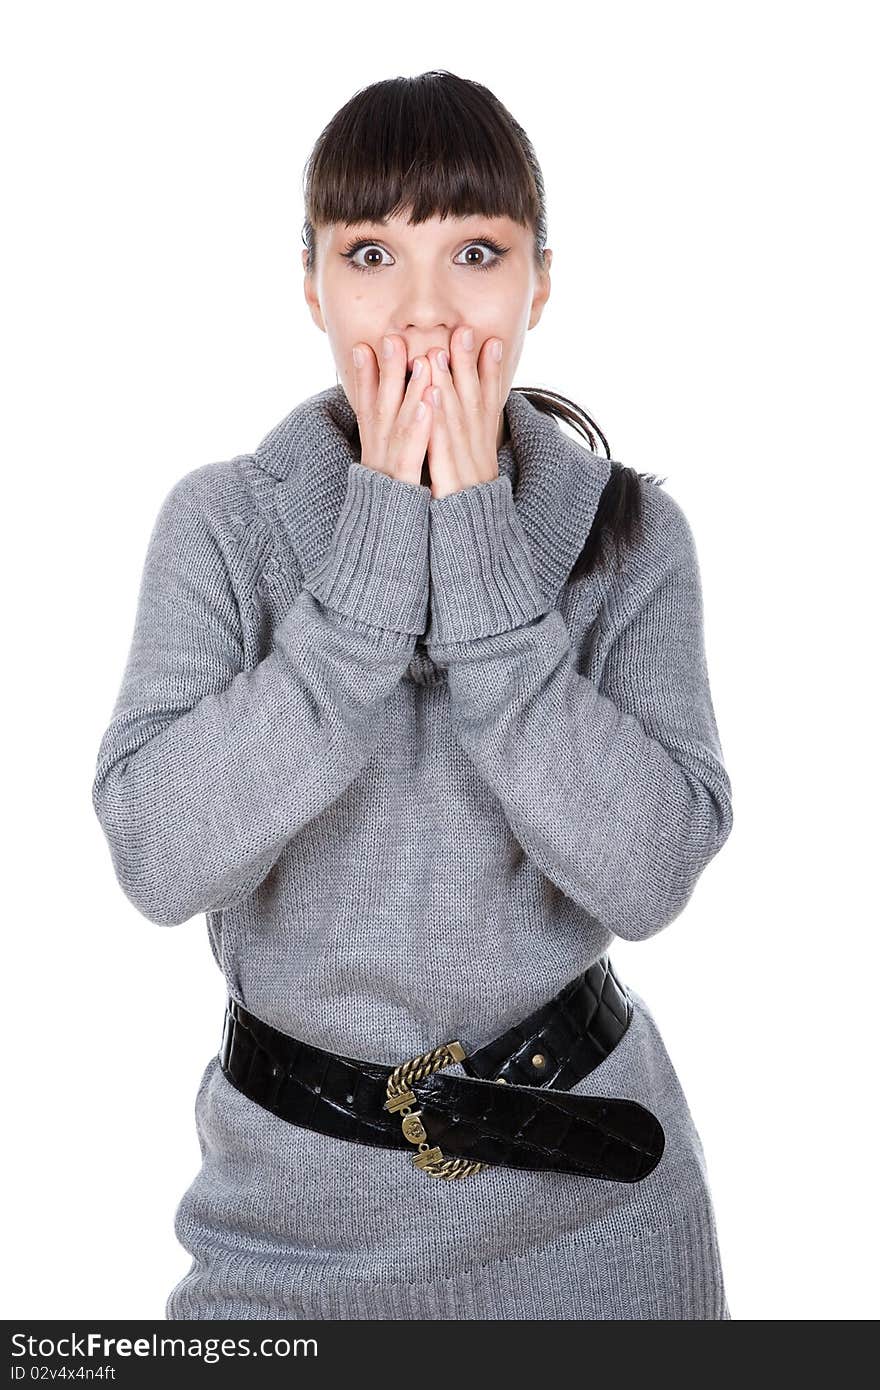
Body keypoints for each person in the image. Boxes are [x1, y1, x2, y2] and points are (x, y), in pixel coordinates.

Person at [91, 69, 735, 1320]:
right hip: (282, 1230)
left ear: (539, 280)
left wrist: (489, 577)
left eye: (477, 252)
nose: (426, 315)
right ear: (312, 284)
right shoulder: (225, 524)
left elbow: (651, 875)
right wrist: (368, 580)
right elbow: (156, 859)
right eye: (374, 252)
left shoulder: (633, 536)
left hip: (591, 1206)